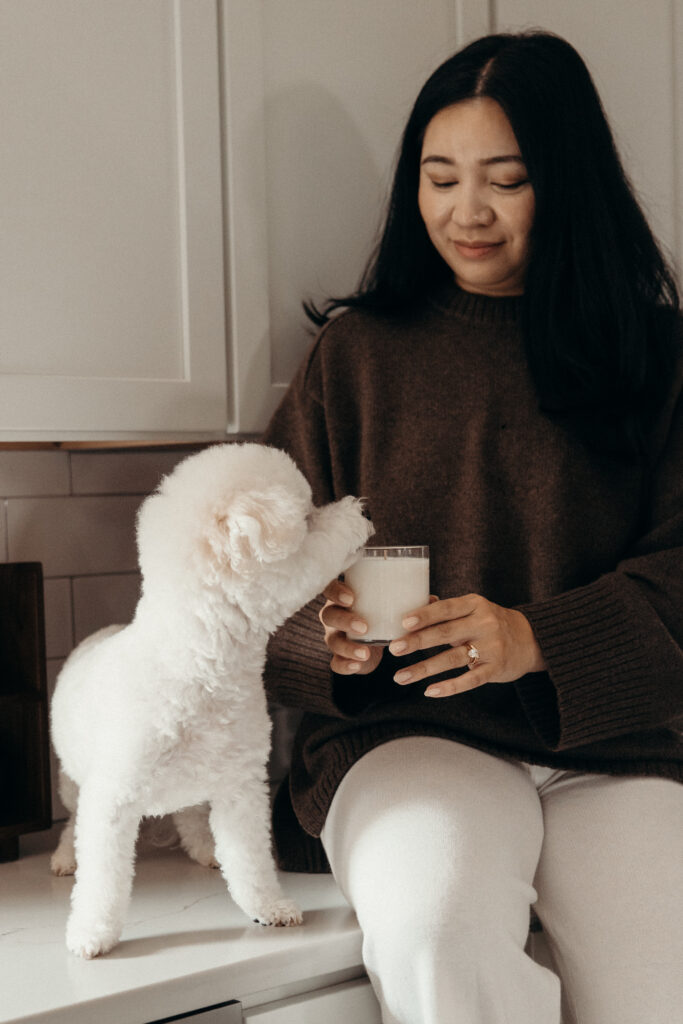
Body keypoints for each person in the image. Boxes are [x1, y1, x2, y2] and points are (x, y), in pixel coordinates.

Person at [260, 30, 683, 1024]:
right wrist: (325, 641)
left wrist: (534, 639)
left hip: (618, 746)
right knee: (434, 928)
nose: (466, 211)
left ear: (565, 183)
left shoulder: (657, 356)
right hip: (404, 734)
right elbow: (248, 577)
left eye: (506, 179)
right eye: (439, 177)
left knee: (663, 978)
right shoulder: (354, 358)